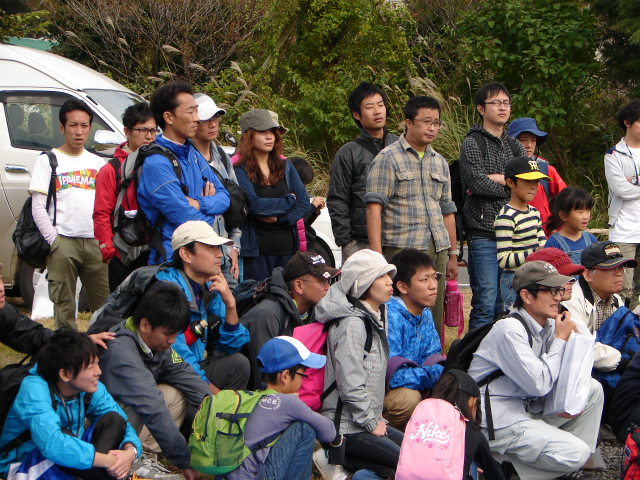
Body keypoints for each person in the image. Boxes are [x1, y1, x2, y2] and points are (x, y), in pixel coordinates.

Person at [468, 261, 604, 480]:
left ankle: (558, 469)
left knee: (592, 390)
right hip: (497, 420)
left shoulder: (547, 324)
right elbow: (539, 384)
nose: (558, 297)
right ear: (526, 296)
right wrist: (561, 340)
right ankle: (515, 465)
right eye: (550, 291)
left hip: (526, 406)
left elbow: (565, 373)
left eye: (559, 290)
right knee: (576, 452)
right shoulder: (509, 330)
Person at [97, 282, 211, 480]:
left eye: (176, 334)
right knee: (146, 403)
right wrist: (185, 461)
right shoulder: (122, 352)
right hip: (99, 430)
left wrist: (216, 414)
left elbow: (186, 374)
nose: (172, 341)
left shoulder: (155, 345)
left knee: (176, 393)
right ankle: (129, 461)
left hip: (126, 421)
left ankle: (143, 455)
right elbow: (152, 406)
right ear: (145, 324)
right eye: (167, 334)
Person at [366, 95, 458, 334]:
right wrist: (377, 259)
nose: (432, 128)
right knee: (399, 314)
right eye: (426, 122)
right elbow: (374, 209)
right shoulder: (387, 158)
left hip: (436, 249)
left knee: (433, 314)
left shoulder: (440, 162)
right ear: (408, 122)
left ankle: (433, 355)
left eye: (436, 123)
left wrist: (452, 253)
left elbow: (447, 211)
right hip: (402, 249)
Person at [0, 330, 141, 480]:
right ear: (65, 374)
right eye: (90, 367)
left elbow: (123, 423)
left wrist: (129, 453)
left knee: (114, 420)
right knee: (62, 437)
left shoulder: (91, 388)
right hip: (25, 466)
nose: (98, 371)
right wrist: (109, 461)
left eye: (97, 363)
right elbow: (52, 444)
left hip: (69, 459)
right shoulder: (33, 389)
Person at [317, 249, 403, 478]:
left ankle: (351, 468)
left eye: (389, 275)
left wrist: (375, 419)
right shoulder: (352, 324)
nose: (390, 281)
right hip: (347, 429)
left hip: (366, 422)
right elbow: (350, 383)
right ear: (362, 283)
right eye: (381, 276)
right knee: (407, 464)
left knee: (415, 454)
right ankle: (336, 457)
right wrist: (371, 423)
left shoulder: (373, 315)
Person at [29, 98, 110, 330]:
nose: (79, 131)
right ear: (62, 127)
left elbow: (107, 205)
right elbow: (38, 206)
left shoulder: (99, 163)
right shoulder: (48, 161)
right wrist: (54, 241)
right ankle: (67, 349)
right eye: (73, 125)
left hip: (95, 243)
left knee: (105, 307)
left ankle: (104, 349)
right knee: (64, 309)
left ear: (90, 128)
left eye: (84, 125)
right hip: (63, 241)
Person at [137, 80, 230, 265]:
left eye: (196, 111)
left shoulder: (192, 153)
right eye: (190, 112)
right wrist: (211, 213)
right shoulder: (156, 163)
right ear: (169, 117)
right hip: (173, 259)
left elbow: (225, 197)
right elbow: (184, 217)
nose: (197, 118)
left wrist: (197, 203)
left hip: (201, 257)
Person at [459, 82, 527, 330]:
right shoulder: (472, 143)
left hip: (513, 234)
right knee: (485, 302)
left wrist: (496, 178)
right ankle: (476, 352)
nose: (502, 107)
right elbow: (477, 184)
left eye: (506, 102)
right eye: (495, 102)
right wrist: (510, 187)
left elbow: (527, 187)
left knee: (507, 303)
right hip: (483, 233)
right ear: (481, 108)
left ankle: (502, 351)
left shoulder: (515, 146)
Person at [154, 220, 250, 394]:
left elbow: (232, 346)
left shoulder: (208, 286)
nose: (220, 254)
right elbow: (176, 357)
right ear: (186, 254)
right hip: (165, 373)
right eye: (211, 247)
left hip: (193, 366)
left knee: (239, 364)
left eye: (218, 247)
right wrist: (217, 397)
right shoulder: (167, 290)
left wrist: (230, 304)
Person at [226, 336, 336, 480]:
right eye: (302, 375)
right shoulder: (288, 402)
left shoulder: (253, 397)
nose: (302, 380)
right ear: (285, 376)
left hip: (229, 474)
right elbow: (329, 432)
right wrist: (297, 405)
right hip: (254, 477)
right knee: (305, 429)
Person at [241, 251, 338, 388]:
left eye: (328, 281)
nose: (327, 287)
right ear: (298, 286)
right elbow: (264, 377)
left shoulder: (314, 311)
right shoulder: (268, 314)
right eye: (322, 281)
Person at [233, 109, 310, 281]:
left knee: (286, 296)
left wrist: (280, 219)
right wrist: (289, 200)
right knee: (258, 296)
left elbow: (304, 203)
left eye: (272, 131)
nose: (269, 136)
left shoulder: (286, 166)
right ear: (247, 136)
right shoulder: (239, 169)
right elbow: (254, 205)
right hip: (256, 254)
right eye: (262, 131)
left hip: (287, 251)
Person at [327, 82, 399, 262]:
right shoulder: (348, 153)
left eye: (380, 105)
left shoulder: (400, 146)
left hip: (398, 240)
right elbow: (337, 199)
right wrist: (346, 242)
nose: (377, 111)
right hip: (360, 242)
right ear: (356, 114)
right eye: (369, 107)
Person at [93, 102, 157, 292]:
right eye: (142, 130)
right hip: (123, 253)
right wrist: (110, 252)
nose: (149, 136)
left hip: (154, 250)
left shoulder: (159, 162)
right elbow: (101, 213)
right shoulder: (111, 169)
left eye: (153, 130)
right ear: (127, 132)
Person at [401, 370, 505, 480]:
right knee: (473, 466)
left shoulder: (420, 419)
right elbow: (495, 475)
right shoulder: (471, 431)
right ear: (472, 402)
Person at [383, 248, 443, 431]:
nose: (433, 286)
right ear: (402, 287)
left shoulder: (425, 313)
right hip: (383, 394)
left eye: (434, 277)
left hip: (415, 382)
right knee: (409, 400)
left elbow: (434, 355)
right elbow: (391, 375)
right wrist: (432, 376)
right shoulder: (389, 315)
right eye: (424, 280)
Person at [0, 264, 113, 354]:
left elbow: (35, 335)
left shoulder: (4, 312)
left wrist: (80, 340)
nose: (1, 288)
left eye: (0, 280)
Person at [191, 93, 242, 288]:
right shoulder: (185, 159)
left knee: (231, 302)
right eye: (206, 119)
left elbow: (236, 204)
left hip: (226, 253)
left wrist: (234, 246)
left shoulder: (222, 155)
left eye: (216, 118)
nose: (213, 124)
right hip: (200, 255)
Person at [563, 241, 636, 372]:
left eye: (621, 267)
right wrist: (625, 364)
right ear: (587, 275)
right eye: (611, 269)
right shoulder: (571, 300)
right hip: (578, 371)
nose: (619, 273)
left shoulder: (616, 299)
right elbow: (581, 345)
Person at [495, 156, 548, 310]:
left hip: (535, 276)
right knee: (517, 316)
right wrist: (534, 253)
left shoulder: (534, 212)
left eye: (536, 181)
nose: (533, 186)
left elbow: (543, 244)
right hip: (515, 279)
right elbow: (503, 260)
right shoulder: (506, 216)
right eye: (527, 181)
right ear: (511, 182)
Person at [605, 100, 640, 309]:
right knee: (621, 288)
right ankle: (620, 326)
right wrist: (628, 184)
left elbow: (628, 187)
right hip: (624, 232)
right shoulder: (613, 155)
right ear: (627, 122)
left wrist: (632, 181)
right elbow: (620, 189)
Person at [507, 117, 566, 236]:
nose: (529, 145)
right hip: (514, 235)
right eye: (523, 140)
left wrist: (559, 228)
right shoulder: (503, 168)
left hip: (545, 237)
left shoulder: (545, 169)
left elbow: (566, 199)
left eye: (533, 140)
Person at [544, 188, 597, 265]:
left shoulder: (591, 240)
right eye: (580, 212)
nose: (586, 216)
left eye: (588, 211)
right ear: (563, 215)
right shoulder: (553, 243)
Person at [289, 156, 325, 254]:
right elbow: (296, 220)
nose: (303, 188)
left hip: (307, 244)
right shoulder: (289, 197)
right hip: (297, 247)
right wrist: (312, 206)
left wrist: (315, 211)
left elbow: (305, 223)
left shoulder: (301, 195)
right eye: (302, 184)